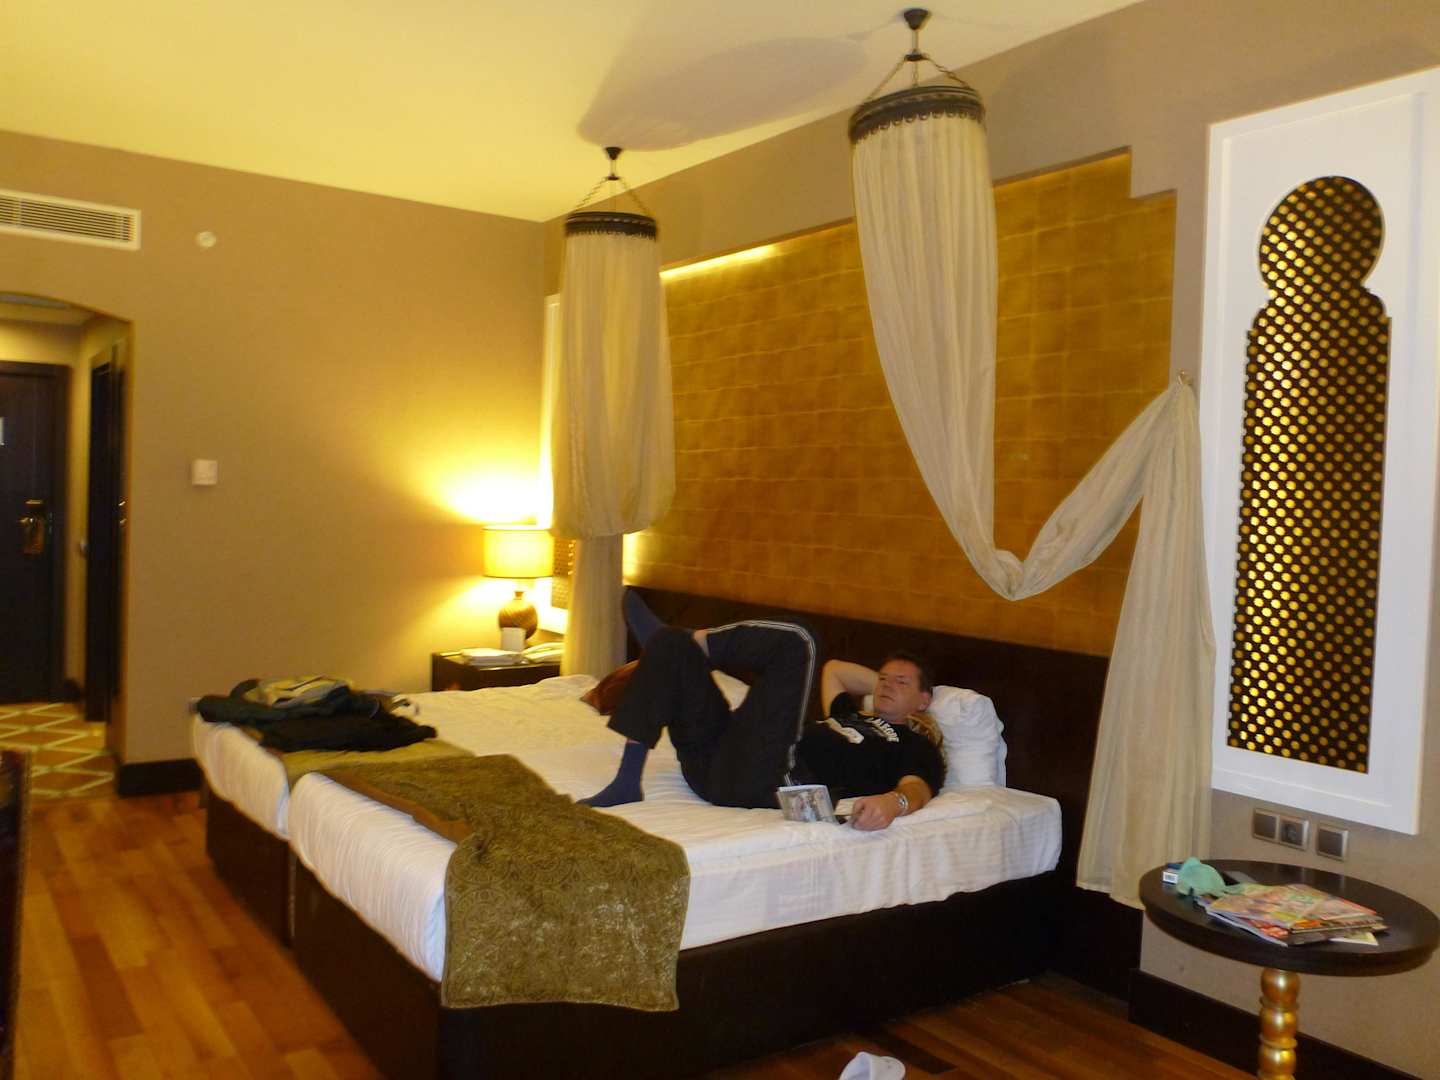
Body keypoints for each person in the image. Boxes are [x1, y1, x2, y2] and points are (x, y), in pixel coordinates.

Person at [581, 592, 944, 832]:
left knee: (801, 639)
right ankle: (627, 781)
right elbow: (835, 670)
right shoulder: (852, 713)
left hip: (767, 779)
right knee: (673, 645)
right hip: (712, 763)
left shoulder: (916, 745)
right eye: (882, 678)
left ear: (924, 700)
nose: (886, 685)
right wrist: (890, 687)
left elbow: (917, 790)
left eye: (901, 682)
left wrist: (894, 804)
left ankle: (687, 642)